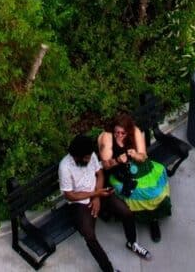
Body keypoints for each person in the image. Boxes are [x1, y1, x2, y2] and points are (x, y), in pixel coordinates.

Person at [60, 133, 152, 267]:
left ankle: (132, 243)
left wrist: (97, 196)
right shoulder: (65, 167)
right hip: (80, 202)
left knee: (126, 212)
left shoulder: (89, 156)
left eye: (90, 155)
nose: (90, 158)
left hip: (98, 193)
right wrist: (95, 193)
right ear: (77, 156)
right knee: (89, 235)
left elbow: (100, 174)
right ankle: (108, 269)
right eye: (86, 157)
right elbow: (69, 195)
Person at [98, 113, 168, 243]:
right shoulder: (107, 137)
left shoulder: (135, 131)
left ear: (128, 131)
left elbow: (143, 156)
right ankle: (146, 216)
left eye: (123, 133)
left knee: (153, 189)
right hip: (119, 173)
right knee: (139, 191)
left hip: (137, 167)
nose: (119, 135)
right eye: (117, 132)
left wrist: (136, 155)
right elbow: (106, 165)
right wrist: (118, 160)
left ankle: (153, 218)